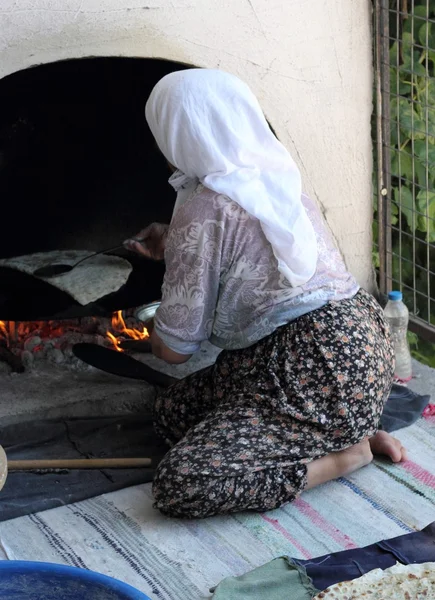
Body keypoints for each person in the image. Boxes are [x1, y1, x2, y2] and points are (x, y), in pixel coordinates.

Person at [125, 69, 406, 519]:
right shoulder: (277, 176)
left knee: (184, 484)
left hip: (309, 366)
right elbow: (243, 246)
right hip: (359, 351)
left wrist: (156, 328)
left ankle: (344, 455)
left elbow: (175, 351)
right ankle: (349, 428)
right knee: (171, 413)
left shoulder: (203, 207)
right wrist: (177, 241)